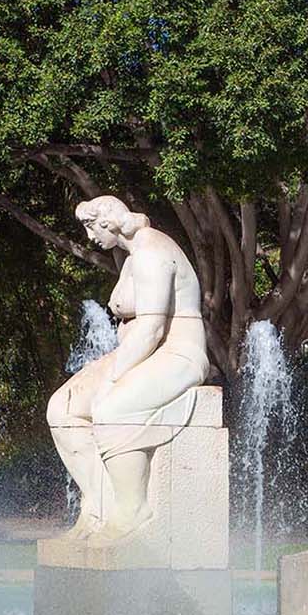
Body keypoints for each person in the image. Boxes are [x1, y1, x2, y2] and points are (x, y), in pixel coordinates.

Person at [46, 195, 211, 542]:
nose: (90, 237)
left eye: (91, 227)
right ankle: (98, 506)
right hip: (147, 351)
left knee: (112, 407)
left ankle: (133, 510)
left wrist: (115, 376)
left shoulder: (151, 252)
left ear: (108, 222)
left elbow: (152, 330)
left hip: (178, 352)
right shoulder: (132, 255)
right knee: (61, 409)